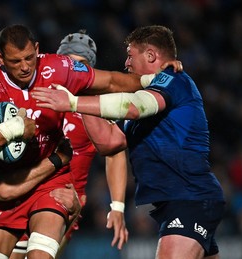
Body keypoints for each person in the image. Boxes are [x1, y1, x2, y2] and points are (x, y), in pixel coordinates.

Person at [0, 24, 180, 259]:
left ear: (38, 50)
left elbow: (113, 97)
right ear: (0, 58)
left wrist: (156, 78)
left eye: (29, 58)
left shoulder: (78, 91)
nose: (24, 67)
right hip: (15, 183)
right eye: (15, 61)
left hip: (56, 189)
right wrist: (14, 129)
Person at [31, 25, 225, 259]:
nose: (127, 63)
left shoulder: (173, 79)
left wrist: (72, 103)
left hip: (189, 198)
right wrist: (82, 90)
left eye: (131, 56)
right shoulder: (150, 102)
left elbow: (134, 108)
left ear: (151, 55)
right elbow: (110, 143)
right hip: (178, 201)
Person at [56, 30, 128, 255]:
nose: (75, 70)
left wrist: (117, 207)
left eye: (82, 64)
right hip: (26, 194)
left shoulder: (96, 107)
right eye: (69, 63)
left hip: (66, 204)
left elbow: (115, 153)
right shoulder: (39, 94)